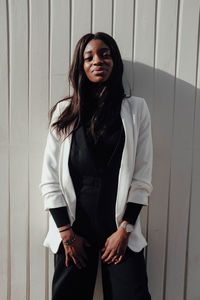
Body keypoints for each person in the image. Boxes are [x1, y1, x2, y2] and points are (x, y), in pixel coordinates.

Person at [39, 32, 153, 300]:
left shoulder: (136, 110)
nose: (97, 61)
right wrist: (67, 235)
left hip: (119, 231)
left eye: (105, 54)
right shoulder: (65, 112)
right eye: (88, 57)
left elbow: (142, 176)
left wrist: (124, 231)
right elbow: (50, 179)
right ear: (80, 66)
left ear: (115, 62)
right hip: (74, 232)